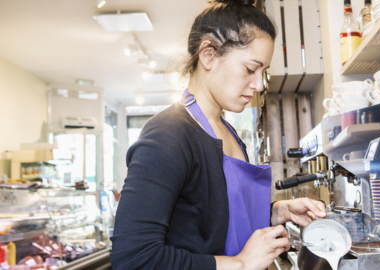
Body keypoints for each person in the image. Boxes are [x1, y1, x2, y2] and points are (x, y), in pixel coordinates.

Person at [110, 0, 327, 269]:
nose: (259, 84)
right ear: (208, 55)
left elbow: (216, 218)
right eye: (250, 69)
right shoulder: (168, 135)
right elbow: (134, 258)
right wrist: (240, 264)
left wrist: (276, 211)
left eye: (263, 72)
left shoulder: (229, 132)